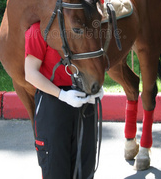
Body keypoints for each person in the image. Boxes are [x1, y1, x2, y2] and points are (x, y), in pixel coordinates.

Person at [25, 22, 103, 179]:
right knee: (55, 167)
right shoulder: (37, 30)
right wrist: (61, 95)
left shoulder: (87, 28)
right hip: (53, 103)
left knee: (85, 168)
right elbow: (30, 73)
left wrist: (98, 87)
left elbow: (96, 62)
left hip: (85, 101)